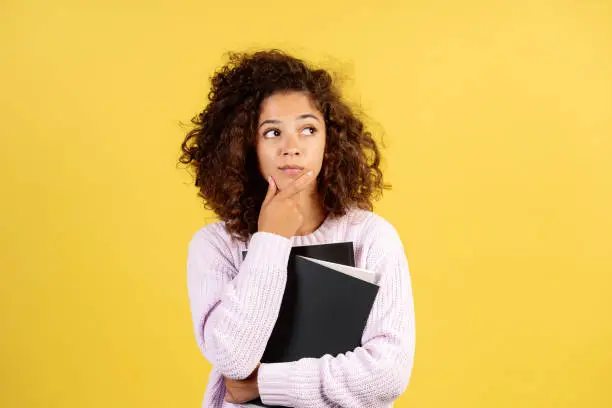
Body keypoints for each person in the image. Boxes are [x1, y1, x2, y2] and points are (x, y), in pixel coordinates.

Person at [179, 49, 416, 408]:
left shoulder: (371, 236)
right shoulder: (215, 245)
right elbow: (233, 359)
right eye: (272, 132)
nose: (292, 147)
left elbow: (388, 373)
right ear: (246, 146)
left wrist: (264, 383)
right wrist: (271, 239)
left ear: (329, 141)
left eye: (308, 129)